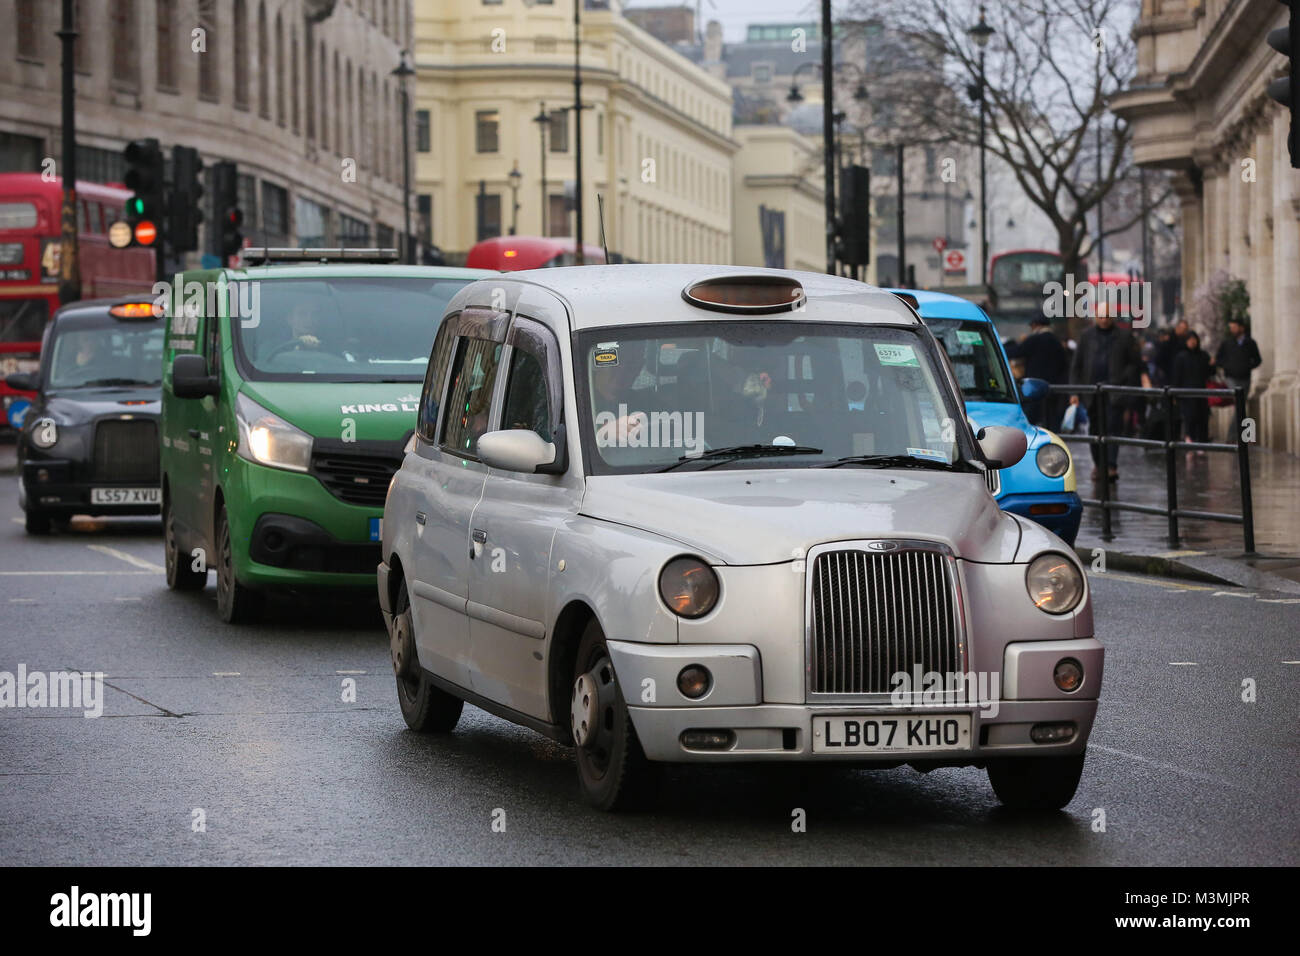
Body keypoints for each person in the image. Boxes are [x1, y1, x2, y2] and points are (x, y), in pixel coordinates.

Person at [1069, 302, 1141, 482]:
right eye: (1101, 317)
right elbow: (1077, 365)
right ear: (1095, 317)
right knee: (1095, 429)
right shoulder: (1086, 336)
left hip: (1114, 391)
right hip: (1092, 392)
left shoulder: (1124, 337)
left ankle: (1111, 465)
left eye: (1107, 316)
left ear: (1113, 317)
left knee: (1113, 428)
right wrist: (1075, 392)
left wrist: (1123, 379)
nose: (1104, 320)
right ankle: (1099, 465)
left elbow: (1134, 363)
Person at [1005, 316, 1068, 426]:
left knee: (1030, 422)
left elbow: (1016, 352)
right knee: (1051, 422)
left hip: (1033, 387)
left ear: (1035, 325)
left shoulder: (1034, 339)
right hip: (1053, 388)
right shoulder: (1056, 341)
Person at [1171, 330, 1213, 446]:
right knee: (1190, 417)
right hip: (1186, 394)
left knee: (1202, 417)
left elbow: (1209, 372)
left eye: (1194, 340)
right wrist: (1175, 393)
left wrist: (1212, 364)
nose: (1192, 342)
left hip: (1201, 392)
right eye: (1190, 340)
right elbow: (1177, 376)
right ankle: (1190, 438)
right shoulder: (1181, 357)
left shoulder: (1203, 355)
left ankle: (1202, 441)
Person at [1213, 317, 1262, 397]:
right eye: (1231, 328)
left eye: (1234, 327)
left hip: (1245, 377)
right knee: (1236, 396)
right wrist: (1227, 366)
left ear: (1241, 328)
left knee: (1243, 399)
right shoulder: (1226, 343)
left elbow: (1257, 359)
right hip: (1231, 376)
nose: (1232, 330)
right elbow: (1218, 359)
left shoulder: (1250, 343)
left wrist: (1247, 367)